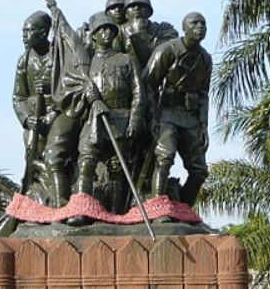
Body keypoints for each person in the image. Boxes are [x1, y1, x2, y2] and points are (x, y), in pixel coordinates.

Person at [68, 12, 144, 221]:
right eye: (101, 29)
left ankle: (115, 214)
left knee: (117, 168)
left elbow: (138, 93)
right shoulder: (86, 64)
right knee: (86, 162)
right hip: (94, 120)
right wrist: (88, 96)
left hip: (121, 118)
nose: (107, 32)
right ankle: (82, 210)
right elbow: (74, 92)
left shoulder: (126, 60)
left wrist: (135, 119)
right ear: (93, 35)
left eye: (110, 29)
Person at [143, 12, 212, 204]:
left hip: (190, 117)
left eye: (203, 23)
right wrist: (151, 117)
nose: (200, 27)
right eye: (195, 23)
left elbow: (203, 94)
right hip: (165, 113)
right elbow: (148, 84)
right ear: (185, 28)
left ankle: (184, 208)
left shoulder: (205, 59)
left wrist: (203, 125)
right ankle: (157, 206)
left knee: (199, 171)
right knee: (165, 158)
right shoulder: (167, 50)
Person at [12, 11, 79, 206]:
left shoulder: (61, 56)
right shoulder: (23, 60)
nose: (24, 35)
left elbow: (73, 88)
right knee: (32, 157)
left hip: (62, 114)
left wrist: (54, 102)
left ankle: (62, 205)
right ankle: (40, 199)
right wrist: (26, 119)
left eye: (29, 30)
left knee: (53, 157)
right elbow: (18, 97)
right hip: (35, 118)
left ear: (43, 33)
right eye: (23, 31)